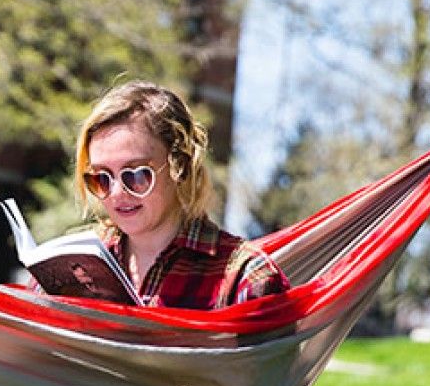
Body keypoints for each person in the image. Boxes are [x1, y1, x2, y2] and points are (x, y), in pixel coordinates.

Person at [73, 81, 289, 309]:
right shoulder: (75, 263)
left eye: (136, 175)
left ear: (181, 166)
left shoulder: (244, 279)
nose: (116, 193)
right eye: (101, 179)